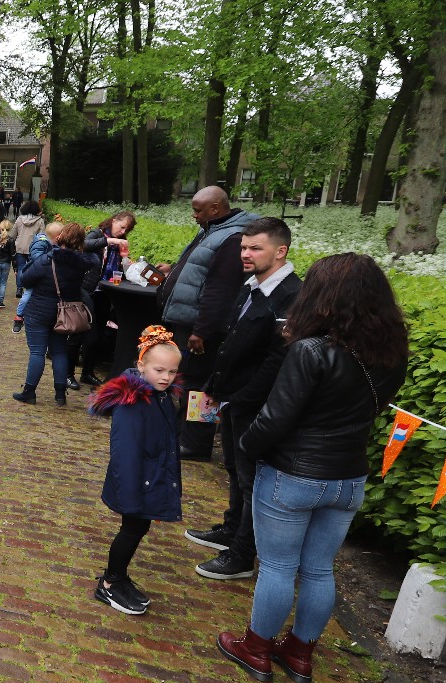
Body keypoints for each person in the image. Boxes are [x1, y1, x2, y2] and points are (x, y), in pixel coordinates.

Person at [217, 254, 408, 683]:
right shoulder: (392, 354)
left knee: (278, 567)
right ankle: (300, 653)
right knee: (320, 568)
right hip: (349, 477)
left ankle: (256, 648)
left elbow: (274, 419)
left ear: (323, 296)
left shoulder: (311, 350)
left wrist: (246, 447)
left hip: (293, 474)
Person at [187, 218, 302, 581]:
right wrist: (216, 385)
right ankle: (231, 529)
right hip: (233, 397)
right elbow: (233, 339)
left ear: (280, 251)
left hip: (255, 404)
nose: (246, 254)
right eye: (243, 248)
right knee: (234, 469)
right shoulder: (251, 286)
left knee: (252, 478)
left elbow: (276, 359)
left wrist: (242, 399)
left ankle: (242, 554)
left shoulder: (291, 296)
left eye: (255, 248)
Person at [87, 327, 184, 615]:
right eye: (159, 370)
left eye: (172, 371)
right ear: (141, 366)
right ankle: (110, 582)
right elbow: (125, 453)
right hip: (136, 482)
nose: (166, 377)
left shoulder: (160, 396)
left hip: (149, 478)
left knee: (138, 528)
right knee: (132, 529)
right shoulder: (133, 404)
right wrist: (130, 495)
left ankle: (118, 576)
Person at [156, 187, 257, 460]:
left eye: (198, 210)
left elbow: (220, 289)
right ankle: (184, 435)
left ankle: (196, 444)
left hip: (204, 329)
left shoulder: (232, 238)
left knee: (201, 386)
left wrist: (202, 330)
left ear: (215, 208)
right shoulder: (214, 230)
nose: (194, 215)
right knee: (190, 381)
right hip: (194, 323)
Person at [13, 221, 98, 406]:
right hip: (64, 314)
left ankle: (29, 392)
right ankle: (60, 394)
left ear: (60, 238)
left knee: (37, 352)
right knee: (59, 352)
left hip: (39, 310)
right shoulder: (82, 264)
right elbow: (93, 263)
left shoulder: (47, 259)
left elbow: (25, 279)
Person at [72, 211, 137, 387]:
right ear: (114, 220)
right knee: (79, 331)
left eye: (126, 230)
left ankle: (87, 372)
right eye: (121, 227)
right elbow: (83, 244)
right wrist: (110, 241)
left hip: (105, 292)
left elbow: (119, 269)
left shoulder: (119, 244)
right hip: (88, 289)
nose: (122, 232)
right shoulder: (98, 234)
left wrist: (125, 259)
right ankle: (68, 374)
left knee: (97, 334)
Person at [6, 200, 47, 331]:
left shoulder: (19, 219)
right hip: (34, 248)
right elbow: (42, 236)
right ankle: (28, 287)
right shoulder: (40, 221)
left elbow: (13, 234)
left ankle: (19, 288)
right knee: (32, 269)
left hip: (20, 247)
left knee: (20, 268)